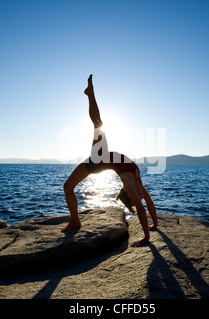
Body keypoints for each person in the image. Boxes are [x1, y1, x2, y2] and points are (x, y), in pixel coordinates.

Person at [62, 74, 158, 247]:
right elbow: (146, 205)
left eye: (136, 198)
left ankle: (75, 221)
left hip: (99, 160)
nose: (140, 198)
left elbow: (145, 206)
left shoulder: (132, 183)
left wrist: (149, 232)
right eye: (137, 198)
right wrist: (150, 231)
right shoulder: (135, 183)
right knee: (98, 124)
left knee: (68, 186)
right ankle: (90, 93)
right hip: (102, 157)